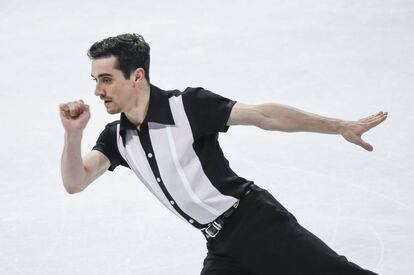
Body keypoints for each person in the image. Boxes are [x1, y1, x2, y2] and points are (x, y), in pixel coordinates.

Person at [59, 33, 387, 275]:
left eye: (106, 79)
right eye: (95, 80)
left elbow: (264, 115)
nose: (97, 90)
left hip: (257, 224)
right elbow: (76, 181)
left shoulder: (186, 107)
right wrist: (73, 136)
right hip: (220, 245)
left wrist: (339, 125)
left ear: (137, 76)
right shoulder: (117, 138)